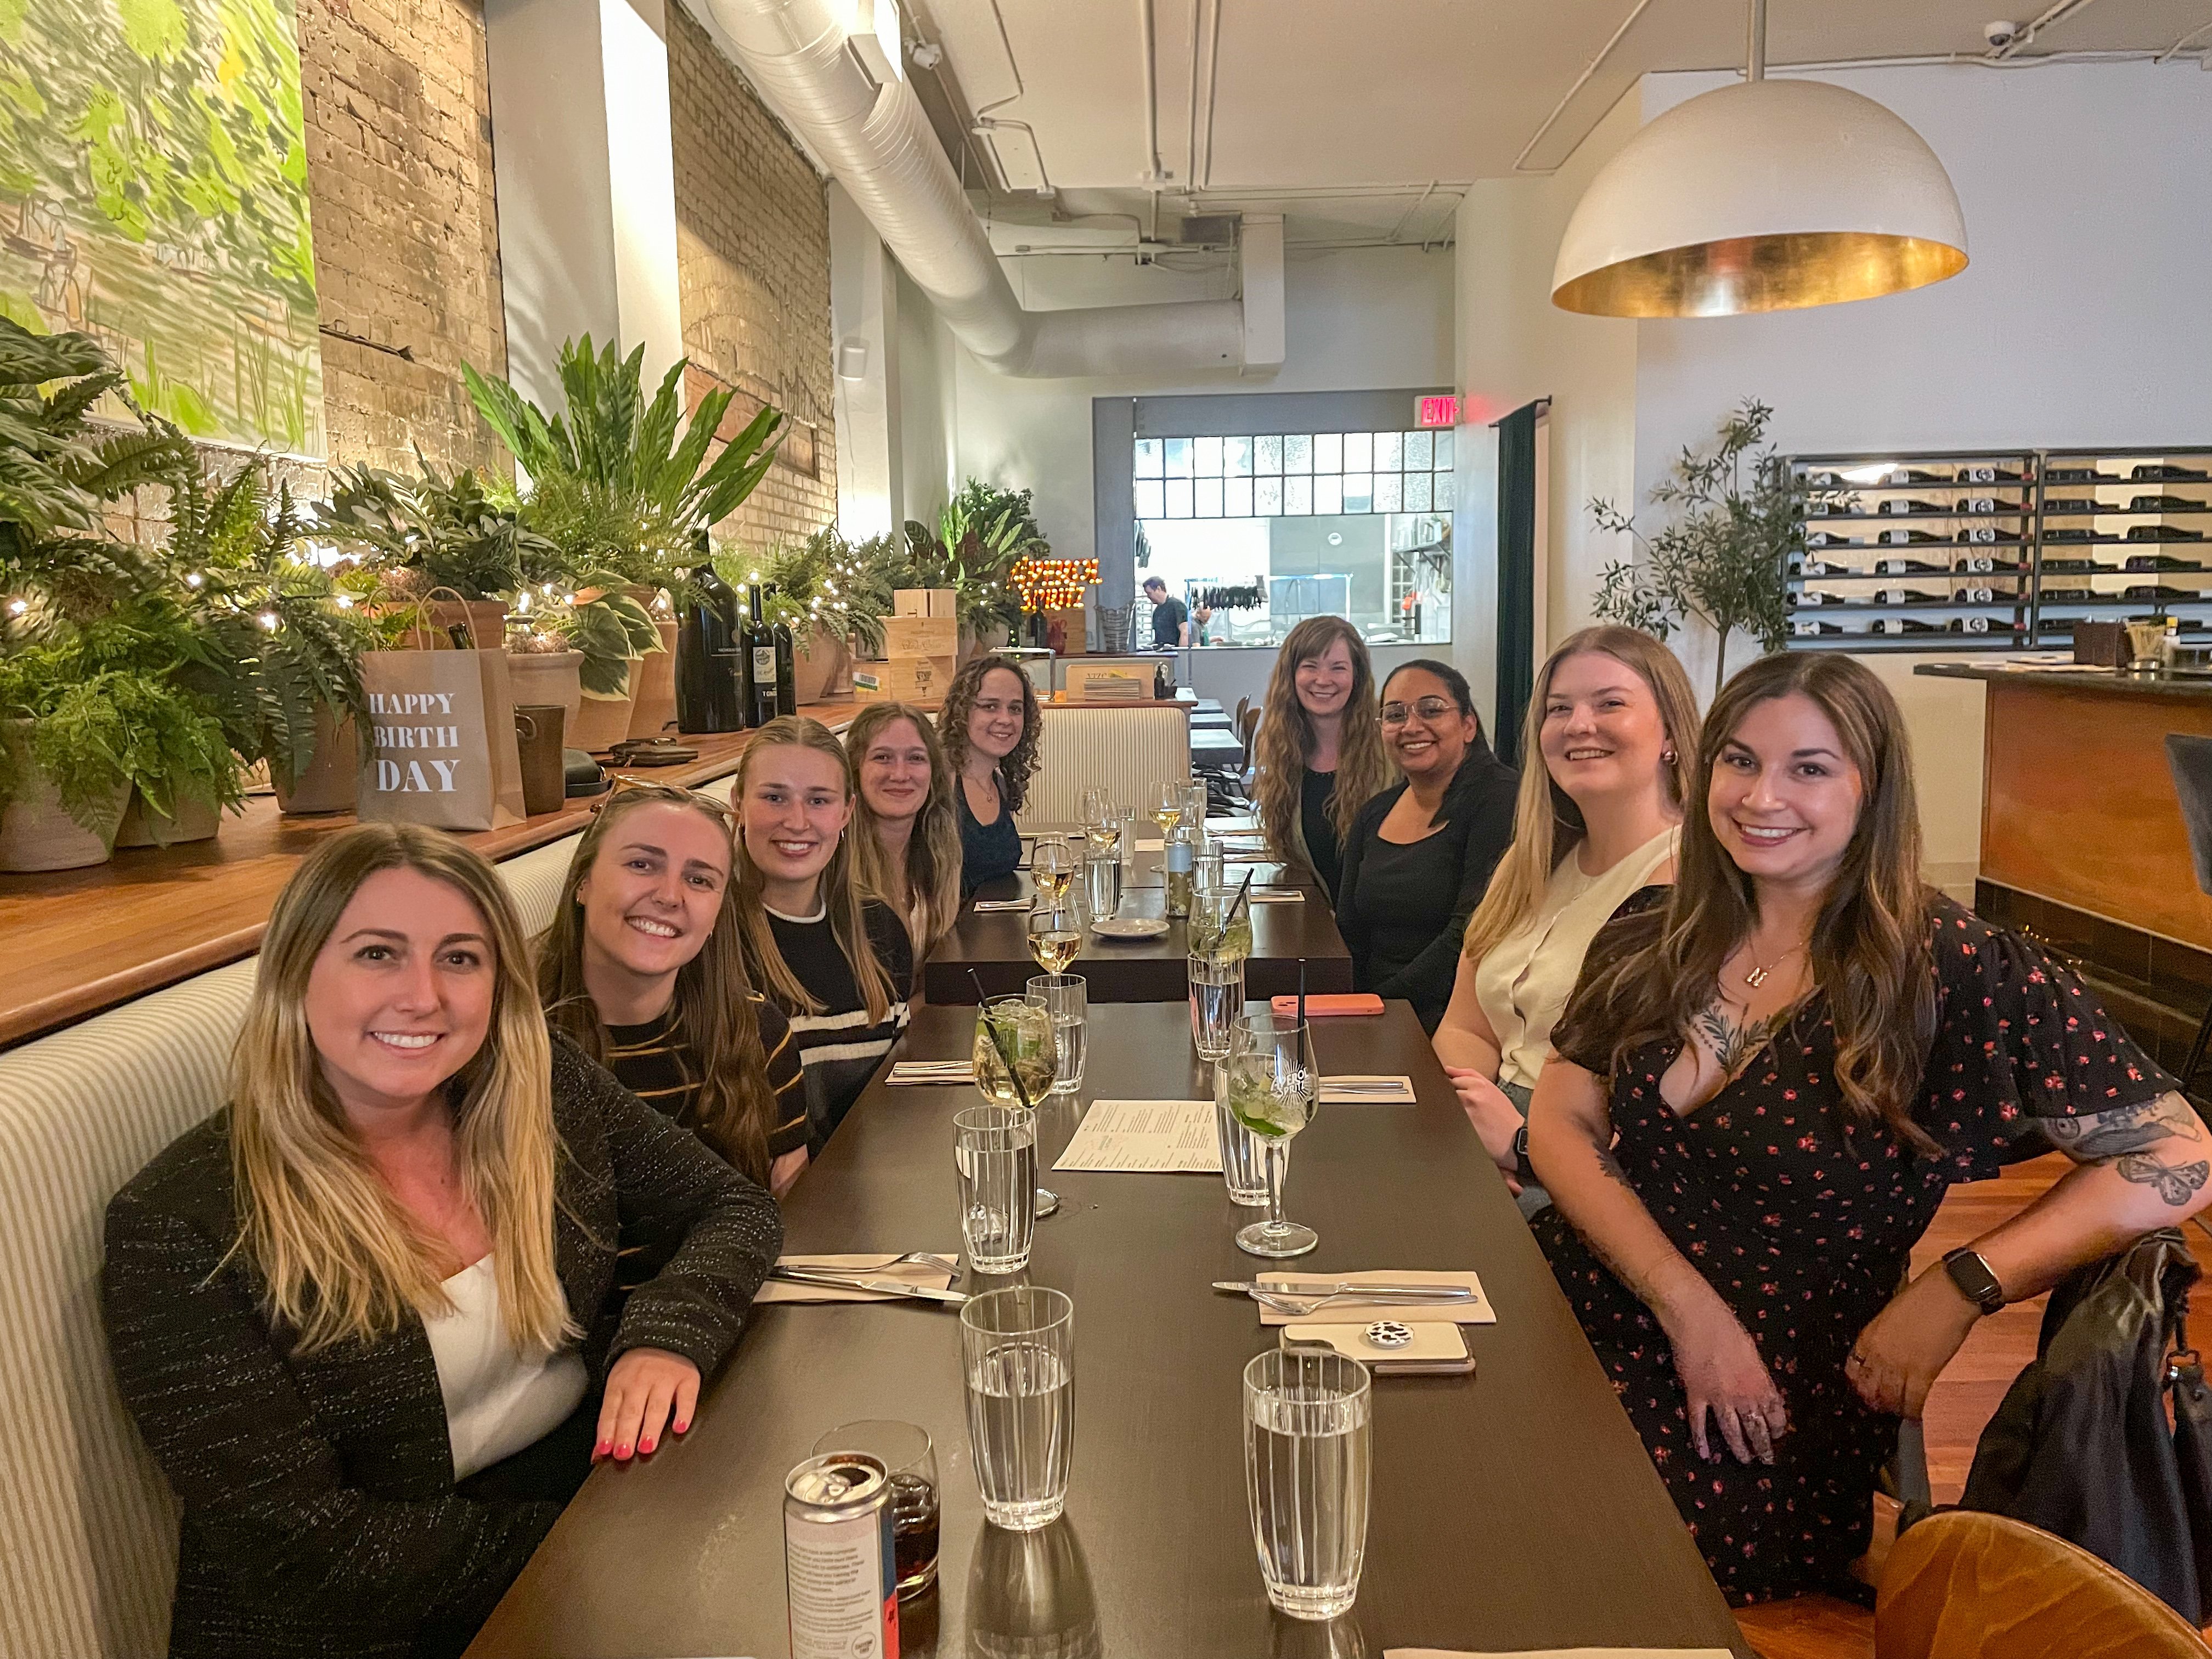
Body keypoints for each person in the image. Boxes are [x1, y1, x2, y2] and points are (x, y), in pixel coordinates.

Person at [1528, 651, 2211, 1605]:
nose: (1761, 794)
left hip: (1763, 1400)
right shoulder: (1655, 925)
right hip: (1581, 1298)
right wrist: (1686, 1305)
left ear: (1872, 785)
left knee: (1545, 1544)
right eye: (1738, 760)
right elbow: (1558, 1116)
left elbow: (2178, 1147)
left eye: (1809, 767)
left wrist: (1963, 1282)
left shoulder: (1951, 966)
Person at [102, 824, 780, 1659]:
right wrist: (602, 1543)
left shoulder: (542, 1091)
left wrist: (667, 1336)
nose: (422, 996)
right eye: (378, 954)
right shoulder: (182, 1224)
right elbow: (313, 1557)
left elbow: (734, 1208)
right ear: (296, 968)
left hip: (590, 1540)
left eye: (460, 958)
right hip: (380, 1628)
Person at [1432, 627, 1699, 1215]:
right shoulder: (1531, 862)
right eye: (1559, 709)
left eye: (1610, 704)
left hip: (1597, 1176)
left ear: (1672, 735)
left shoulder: (1690, 883)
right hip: (1484, 1141)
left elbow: (1663, 1104)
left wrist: (1524, 1144)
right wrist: (1471, 1118)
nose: (1580, 725)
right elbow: (1468, 1026)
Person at [537, 780, 810, 1199]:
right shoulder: (512, 1043)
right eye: (642, 865)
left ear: (719, 911)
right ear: (582, 883)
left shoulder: (760, 1036)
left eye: (699, 880)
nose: (669, 896)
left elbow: (796, 1225)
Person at [732, 715, 913, 1147]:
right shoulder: (710, 939)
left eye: (818, 801)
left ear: (847, 812)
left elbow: (899, 1099)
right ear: (739, 802)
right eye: (774, 797)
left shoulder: (879, 927)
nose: (797, 822)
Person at [1334, 659, 1517, 1032]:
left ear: (1468, 725)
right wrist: (1345, 1006)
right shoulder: (1375, 812)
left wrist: (1379, 1005)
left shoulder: (1501, 800)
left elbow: (1471, 934)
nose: (1411, 726)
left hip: (1459, 1021)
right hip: (1375, 1013)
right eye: (1395, 714)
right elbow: (1349, 930)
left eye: (1431, 710)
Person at [1251, 615, 1393, 902]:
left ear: (1357, 677)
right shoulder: (1282, 750)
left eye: (1338, 668)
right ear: (1291, 676)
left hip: (1382, 930)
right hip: (1321, 925)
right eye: (1310, 666)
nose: (1323, 680)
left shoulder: (1391, 752)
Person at [846, 700, 963, 957]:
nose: (900, 774)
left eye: (915, 758)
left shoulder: (941, 852)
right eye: (883, 757)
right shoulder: (836, 866)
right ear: (856, 770)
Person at [939, 654, 1042, 895]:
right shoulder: (940, 782)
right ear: (962, 711)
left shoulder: (999, 783)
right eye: (990, 706)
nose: (1005, 719)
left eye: (1015, 709)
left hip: (995, 928)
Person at [1143, 575, 1189, 648]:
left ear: (1159, 589)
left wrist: (1182, 654)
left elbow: (1185, 632)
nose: (1148, 597)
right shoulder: (1157, 611)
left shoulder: (1177, 606)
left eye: (1149, 593)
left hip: (1174, 654)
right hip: (1162, 653)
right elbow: (1160, 638)